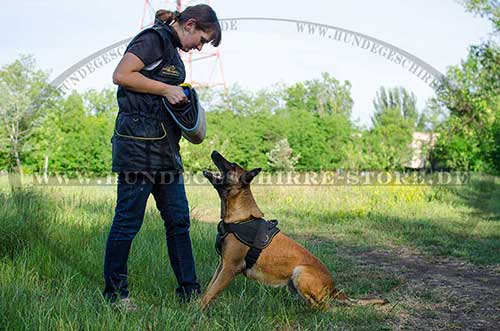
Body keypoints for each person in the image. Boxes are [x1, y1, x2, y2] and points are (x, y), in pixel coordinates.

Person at [103, 4, 221, 310]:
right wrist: (166, 89)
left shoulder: (172, 50)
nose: (199, 47)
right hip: (137, 149)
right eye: (202, 39)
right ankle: (115, 295)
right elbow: (121, 74)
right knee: (128, 222)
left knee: (179, 222)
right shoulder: (152, 39)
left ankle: (190, 293)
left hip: (166, 151)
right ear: (191, 24)